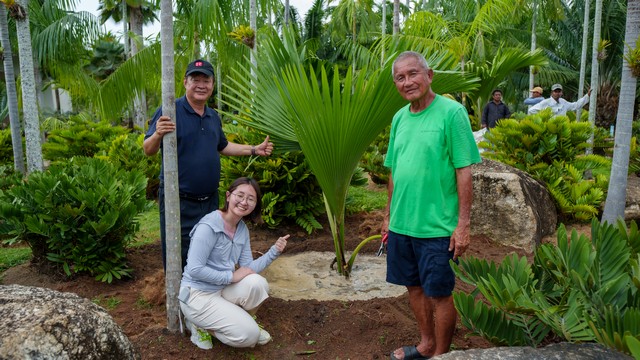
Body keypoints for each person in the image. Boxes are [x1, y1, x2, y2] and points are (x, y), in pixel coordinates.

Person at [383, 51, 481, 360]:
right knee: (413, 287)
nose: (407, 82)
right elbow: (394, 172)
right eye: (400, 77)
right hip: (402, 225)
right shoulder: (399, 118)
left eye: (413, 74)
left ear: (430, 75)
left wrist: (462, 224)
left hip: (437, 227)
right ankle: (425, 344)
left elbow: (464, 170)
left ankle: (442, 354)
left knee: (439, 293)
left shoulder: (452, 113)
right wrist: (387, 216)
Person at [143, 59, 274, 271]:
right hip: (179, 201)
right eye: (196, 79)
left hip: (210, 200)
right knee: (181, 251)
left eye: (207, 80)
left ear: (212, 85)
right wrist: (158, 133)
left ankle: (209, 293)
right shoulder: (170, 110)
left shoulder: (213, 116)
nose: (201, 85)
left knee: (211, 248)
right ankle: (179, 296)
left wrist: (253, 149)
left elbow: (222, 146)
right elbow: (148, 149)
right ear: (185, 82)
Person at [178, 177, 289, 350]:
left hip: (221, 289)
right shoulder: (208, 226)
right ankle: (197, 324)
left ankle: (238, 321)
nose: (244, 202)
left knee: (258, 284)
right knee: (250, 337)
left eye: (251, 199)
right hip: (198, 294)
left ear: (255, 204)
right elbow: (194, 269)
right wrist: (230, 276)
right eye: (240, 195)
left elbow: (248, 269)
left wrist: (274, 252)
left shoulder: (241, 229)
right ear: (229, 196)